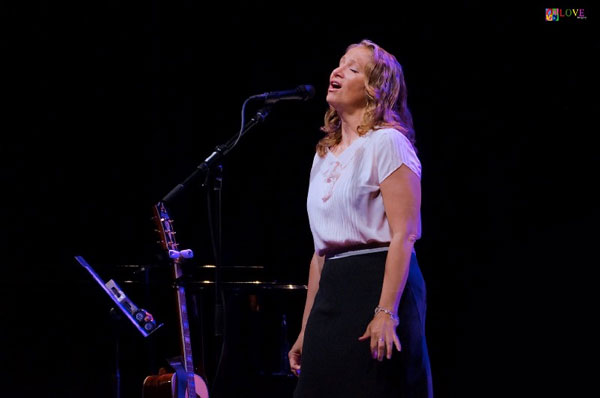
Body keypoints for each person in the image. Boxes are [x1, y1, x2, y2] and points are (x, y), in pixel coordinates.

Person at [288, 39, 433, 398]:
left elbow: (405, 233)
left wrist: (387, 311)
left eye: (352, 68)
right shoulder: (324, 155)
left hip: (380, 283)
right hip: (334, 290)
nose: (337, 71)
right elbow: (320, 252)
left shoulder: (388, 143)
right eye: (339, 64)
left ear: (374, 89)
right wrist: (307, 328)